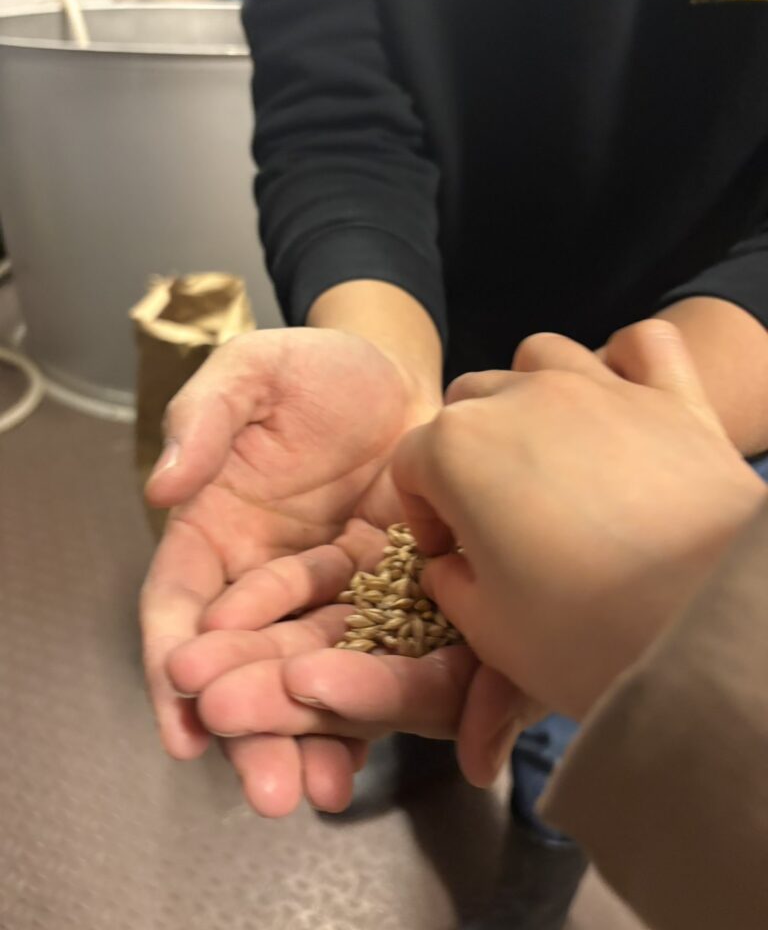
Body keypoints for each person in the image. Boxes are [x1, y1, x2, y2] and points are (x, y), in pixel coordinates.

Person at [140, 0, 768, 926]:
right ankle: (425, 746)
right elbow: (335, 116)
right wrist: (384, 358)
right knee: (457, 626)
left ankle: (544, 850)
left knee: (577, 698)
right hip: (442, 317)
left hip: (717, 366)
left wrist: (671, 591)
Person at [161, 321, 768, 930]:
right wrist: (388, 346)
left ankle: (539, 880)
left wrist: (687, 600)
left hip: (711, 439)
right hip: (492, 383)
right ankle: (428, 751)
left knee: (564, 732)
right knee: (462, 678)